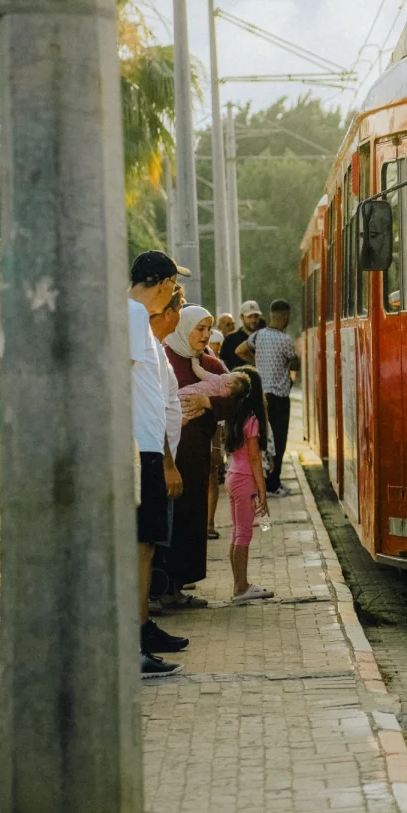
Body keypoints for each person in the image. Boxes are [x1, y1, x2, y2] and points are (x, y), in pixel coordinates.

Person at [128, 250, 187, 678]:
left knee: (145, 546)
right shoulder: (130, 316)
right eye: (171, 285)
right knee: (137, 548)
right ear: (164, 283)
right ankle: (133, 642)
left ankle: (141, 632)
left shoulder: (139, 323)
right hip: (136, 449)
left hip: (146, 446)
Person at [162, 305, 232, 608]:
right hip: (167, 459)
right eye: (199, 329)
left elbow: (240, 400)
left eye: (208, 329)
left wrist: (208, 403)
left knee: (190, 521)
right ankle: (161, 590)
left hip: (197, 458)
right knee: (167, 524)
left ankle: (177, 589)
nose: (205, 335)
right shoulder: (163, 360)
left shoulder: (211, 365)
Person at [238, 298, 299, 496]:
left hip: (261, 396)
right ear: (286, 316)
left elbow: (240, 350)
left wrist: (255, 362)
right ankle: (274, 484)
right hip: (279, 398)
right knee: (279, 440)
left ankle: (261, 482)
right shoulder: (285, 340)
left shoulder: (258, 336)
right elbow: (295, 363)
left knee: (263, 439)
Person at [223, 366, 274, 603]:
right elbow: (254, 458)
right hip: (245, 479)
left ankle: (238, 585)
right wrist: (262, 489)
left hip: (232, 476)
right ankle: (241, 587)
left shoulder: (233, 415)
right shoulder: (252, 419)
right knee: (244, 533)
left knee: (236, 532)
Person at [222, 299, 264, 372]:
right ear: (242, 317)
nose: (253, 320)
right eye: (250, 316)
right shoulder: (230, 340)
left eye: (256, 316)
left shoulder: (265, 338)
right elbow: (224, 365)